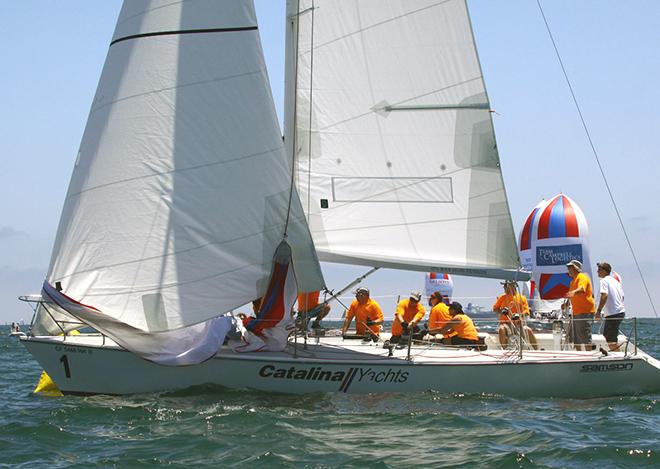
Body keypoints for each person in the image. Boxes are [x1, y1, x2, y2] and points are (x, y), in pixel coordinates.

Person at [492, 281, 538, 350]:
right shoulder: (502, 297)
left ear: (512, 286)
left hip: (518, 324)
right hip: (506, 324)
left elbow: (526, 312)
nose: (504, 288)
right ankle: (504, 350)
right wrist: (501, 311)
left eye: (505, 286)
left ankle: (536, 350)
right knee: (501, 329)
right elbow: (495, 309)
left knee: (528, 330)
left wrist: (519, 315)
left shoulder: (522, 298)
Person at [566, 259, 596, 351]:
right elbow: (571, 295)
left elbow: (581, 289)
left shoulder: (582, 277)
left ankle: (589, 356)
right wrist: (566, 303)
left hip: (585, 312)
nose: (568, 269)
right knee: (575, 338)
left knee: (585, 337)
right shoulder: (572, 281)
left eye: (570, 267)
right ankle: (579, 355)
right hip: (576, 313)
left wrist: (573, 292)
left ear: (575, 268)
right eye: (568, 267)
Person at [595, 262, 625, 351]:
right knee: (608, 336)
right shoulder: (615, 281)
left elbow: (604, 295)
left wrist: (598, 311)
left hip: (613, 313)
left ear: (604, 271)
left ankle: (618, 356)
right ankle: (617, 353)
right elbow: (622, 296)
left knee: (610, 339)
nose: (597, 272)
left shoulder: (604, 281)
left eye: (599, 270)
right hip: (619, 312)